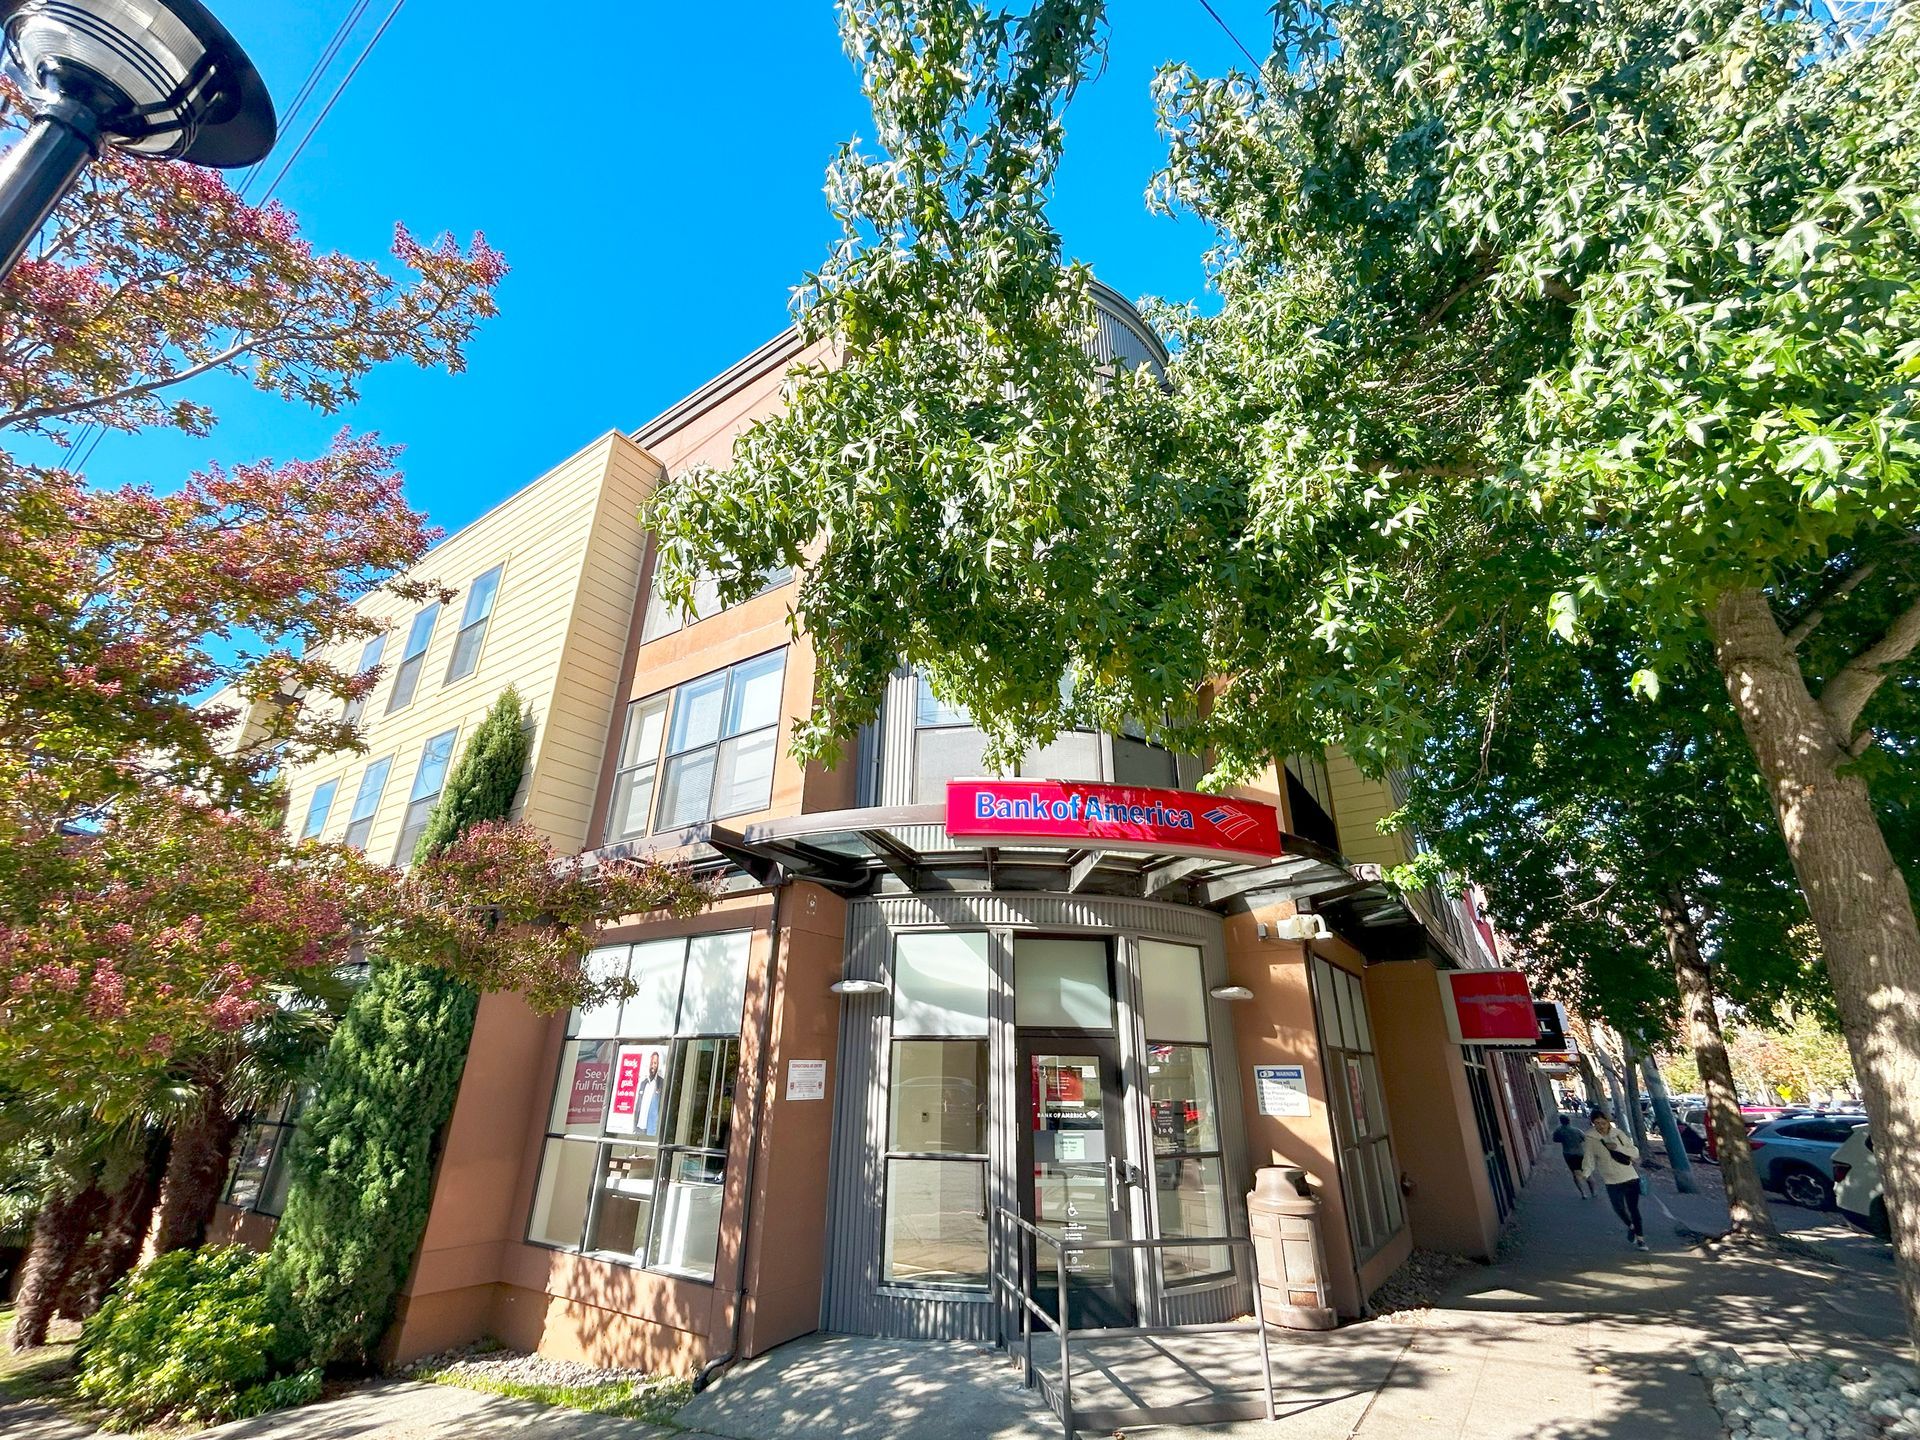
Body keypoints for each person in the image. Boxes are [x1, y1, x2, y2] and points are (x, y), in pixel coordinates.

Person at [1581, 1108, 1647, 1249]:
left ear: (1608, 1122)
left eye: (1603, 1122)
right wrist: (1586, 1173)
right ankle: (1631, 1226)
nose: (1600, 1126)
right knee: (1618, 1208)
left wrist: (1617, 1147)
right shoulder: (1590, 1138)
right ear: (1593, 1123)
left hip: (1629, 1177)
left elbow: (1634, 1152)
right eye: (1596, 1123)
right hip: (1611, 1180)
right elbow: (1589, 1157)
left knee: (1633, 1209)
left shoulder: (1618, 1134)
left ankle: (1641, 1239)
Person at [1551, 1112, 1594, 1196]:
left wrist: (1563, 1140)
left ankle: (1583, 1193)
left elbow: (1555, 1139)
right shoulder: (1577, 1130)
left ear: (1561, 1122)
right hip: (1579, 1153)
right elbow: (1584, 1138)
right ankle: (1593, 1192)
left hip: (1568, 1154)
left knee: (1575, 1173)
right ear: (1569, 1121)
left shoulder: (1559, 1131)